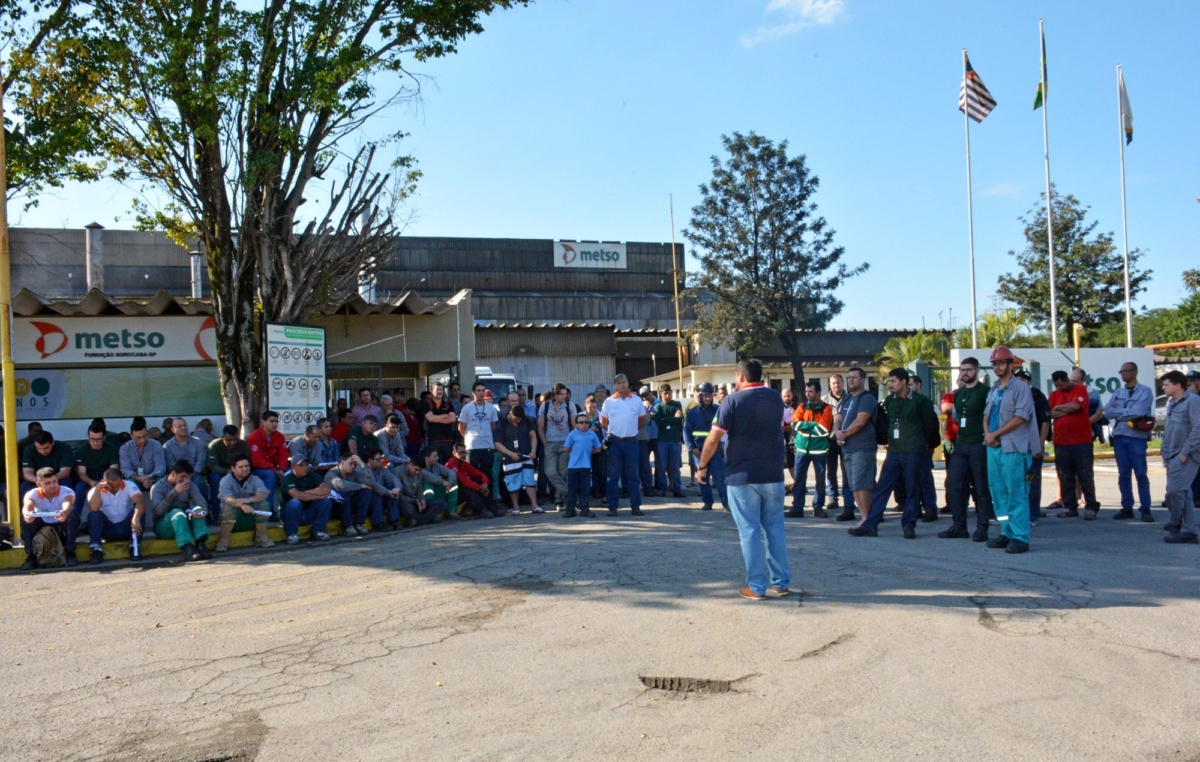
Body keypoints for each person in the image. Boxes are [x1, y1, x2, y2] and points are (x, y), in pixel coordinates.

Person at [697, 359, 791, 601]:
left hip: (742, 476)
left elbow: (713, 439)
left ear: (740, 376)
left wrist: (702, 465)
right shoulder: (775, 398)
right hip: (773, 474)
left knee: (749, 531)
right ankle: (781, 583)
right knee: (775, 528)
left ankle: (757, 587)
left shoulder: (732, 401)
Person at [849, 368, 936, 539]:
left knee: (912, 489)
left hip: (913, 452)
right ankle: (871, 524)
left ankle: (909, 525)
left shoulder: (921, 401)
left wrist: (923, 444)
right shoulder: (889, 401)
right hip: (894, 452)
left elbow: (929, 426)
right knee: (882, 488)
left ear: (904, 382)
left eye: (894, 381)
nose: (890, 384)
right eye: (889, 381)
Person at [981, 347, 1039, 553]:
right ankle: (1006, 532)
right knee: (999, 493)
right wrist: (989, 435)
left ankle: (1021, 536)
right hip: (993, 448)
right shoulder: (994, 389)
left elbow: (1021, 417)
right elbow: (986, 416)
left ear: (1011, 364)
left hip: (1013, 448)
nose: (997, 367)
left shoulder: (1020, 388)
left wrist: (995, 435)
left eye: (1001, 363)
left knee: (1017, 493)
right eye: (994, 364)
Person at [938, 357, 996, 541]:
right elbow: (956, 417)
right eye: (962, 369)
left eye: (969, 369)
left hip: (979, 444)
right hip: (961, 443)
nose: (965, 373)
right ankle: (959, 526)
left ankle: (982, 527)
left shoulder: (985, 392)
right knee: (954, 485)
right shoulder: (959, 393)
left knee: (980, 486)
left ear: (977, 370)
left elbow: (992, 416)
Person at [1103, 361, 1155, 521]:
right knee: (1123, 474)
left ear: (1135, 372)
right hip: (1120, 435)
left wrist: (1119, 413)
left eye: (1126, 371)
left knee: (1140, 474)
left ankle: (1145, 508)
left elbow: (1139, 412)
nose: (1123, 374)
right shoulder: (1118, 392)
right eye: (1121, 372)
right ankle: (1127, 507)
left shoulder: (1145, 391)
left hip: (1137, 437)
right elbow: (1107, 411)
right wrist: (1126, 413)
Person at [1048, 370, 1099, 519]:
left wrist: (1059, 408)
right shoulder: (1054, 395)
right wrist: (1064, 409)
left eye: (1062, 384)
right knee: (1065, 476)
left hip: (1081, 441)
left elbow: (1077, 406)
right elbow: (1049, 413)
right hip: (1061, 441)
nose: (1060, 388)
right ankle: (1070, 507)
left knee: (1085, 475)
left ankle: (1091, 506)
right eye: (1057, 385)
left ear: (1067, 380)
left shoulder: (1080, 389)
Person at [832, 367, 877, 523]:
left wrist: (843, 434)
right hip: (848, 448)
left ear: (863, 380)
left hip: (862, 448)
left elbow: (860, 422)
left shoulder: (867, 398)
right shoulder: (847, 399)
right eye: (849, 377)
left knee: (861, 484)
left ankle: (867, 520)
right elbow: (838, 418)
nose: (851, 380)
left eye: (854, 377)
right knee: (854, 485)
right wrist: (837, 431)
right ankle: (865, 518)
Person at [1160, 370, 1200, 544]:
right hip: (1171, 454)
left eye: (1166, 384)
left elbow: (1198, 429)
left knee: (1174, 492)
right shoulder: (1172, 403)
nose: (1163, 387)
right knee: (1185, 493)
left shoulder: (1193, 401)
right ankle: (1190, 531)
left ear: (1178, 386)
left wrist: (1184, 453)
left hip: (1185, 456)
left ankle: (1175, 523)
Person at [600, 374, 646, 517]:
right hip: (614, 442)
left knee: (633, 476)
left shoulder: (637, 401)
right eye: (619, 383)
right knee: (612, 477)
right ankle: (612, 507)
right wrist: (614, 432)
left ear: (628, 383)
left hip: (632, 442)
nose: (622, 385)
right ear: (615, 386)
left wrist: (631, 431)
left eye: (624, 382)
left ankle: (636, 506)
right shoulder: (608, 402)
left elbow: (642, 420)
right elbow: (603, 422)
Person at [149, 460, 212, 560]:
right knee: (177, 513)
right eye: (183, 476)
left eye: (188, 477)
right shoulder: (157, 487)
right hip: (164, 527)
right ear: (173, 473)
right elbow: (158, 511)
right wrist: (175, 492)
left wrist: (203, 512)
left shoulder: (189, 484)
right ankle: (188, 548)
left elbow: (202, 503)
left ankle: (201, 544)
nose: (186, 479)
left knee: (197, 509)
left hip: (184, 524)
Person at [20, 467, 81, 570]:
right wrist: (27, 514)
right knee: (26, 518)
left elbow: (68, 503)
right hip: (41, 529)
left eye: (54, 481)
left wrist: (64, 512)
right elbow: (28, 505)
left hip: (60, 528)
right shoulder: (32, 493)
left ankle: (70, 552)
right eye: (48, 483)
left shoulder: (66, 491)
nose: (53, 485)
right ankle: (31, 556)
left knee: (71, 515)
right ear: (39, 484)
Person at [788, 379, 833, 518]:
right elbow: (794, 425)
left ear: (818, 392)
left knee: (820, 480)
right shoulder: (801, 407)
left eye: (811, 391)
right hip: (802, 449)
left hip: (819, 450)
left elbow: (823, 430)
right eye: (806, 391)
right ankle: (797, 508)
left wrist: (805, 426)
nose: (808, 394)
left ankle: (818, 507)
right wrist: (813, 425)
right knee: (799, 479)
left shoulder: (826, 408)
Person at [84, 467, 147, 564]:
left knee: (139, 512)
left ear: (121, 479)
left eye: (118, 485)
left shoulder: (129, 485)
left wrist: (136, 518)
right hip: (108, 529)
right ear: (104, 482)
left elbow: (140, 502)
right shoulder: (95, 491)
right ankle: (96, 550)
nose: (116, 488)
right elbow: (94, 508)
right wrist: (98, 488)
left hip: (127, 526)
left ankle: (135, 547)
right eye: (112, 486)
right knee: (94, 515)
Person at [1014, 367, 1052, 526]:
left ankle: (1032, 514)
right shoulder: (1013, 395)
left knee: (1032, 481)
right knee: (1016, 481)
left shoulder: (1037, 397)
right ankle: (1018, 513)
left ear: (1029, 382)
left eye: (1023, 380)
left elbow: (1045, 423)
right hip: (1016, 445)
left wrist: (1039, 445)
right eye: (1018, 380)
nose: (1020, 383)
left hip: (1032, 446)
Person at [324, 451, 392, 536]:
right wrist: (359, 486)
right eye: (351, 464)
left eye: (355, 464)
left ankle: (358, 523)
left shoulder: (354, 473)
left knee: (366, 491)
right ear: (342, 462)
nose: (353, 466)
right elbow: (341, 485)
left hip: (349, 506)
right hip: (335, 508)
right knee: (344, 494)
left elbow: (370, 481)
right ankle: (347, 526)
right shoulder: (331, 474)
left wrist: (362, 465)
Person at [216, 455, 273, 552]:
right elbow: (228, 498)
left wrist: (249, 500)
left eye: (247, 466)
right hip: (231, 519)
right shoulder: (225, 480)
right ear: (233, 468)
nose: (245, 469)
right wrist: (242, 505)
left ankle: (261, 538)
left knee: (264, 504)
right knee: (228, 507)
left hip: (251, 517)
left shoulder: (255, 479)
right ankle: (223, 540)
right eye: (241, 467)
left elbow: (263, 494)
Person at [685, 383, 726, 511]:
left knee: (719, 477)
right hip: (699, 451)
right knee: (703, 478)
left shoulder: (718, 410)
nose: (708, 398)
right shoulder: (692, 413)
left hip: (715, 450)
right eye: (705, 396)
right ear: (700, 396)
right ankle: (707, 502)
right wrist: (692, 448)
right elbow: (686, 432)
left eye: (709, 396)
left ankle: (726, 503)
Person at [538, 383, 578, 509]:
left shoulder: (570, 405)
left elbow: (574, 424)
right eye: (561, 394)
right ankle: (570, 495)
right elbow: (540, 426)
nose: (564, 396)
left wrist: (574, 441)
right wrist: (545, 443)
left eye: (565, 394)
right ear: (554, 395)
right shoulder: (545, 406)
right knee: (549, 472)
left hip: (565, 442)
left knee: (562, 472)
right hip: (550, 442)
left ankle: (558, 500)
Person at [906, 376, 940, 522]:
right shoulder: (903, 401)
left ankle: (930, 508)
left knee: (925, 478)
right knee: (911, 480)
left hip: (922, 447)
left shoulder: (924, 402)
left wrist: (928, 443)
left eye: (911, 384)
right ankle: (915, 508)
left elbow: (930, 426)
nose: (908, 387)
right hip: (907, 448)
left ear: (918, 385)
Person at [280, 456, 334, 544]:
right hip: (289, 514)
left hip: (308, 512)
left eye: (306, 465)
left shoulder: (313, 476)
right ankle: (291, 534)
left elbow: (326, 489)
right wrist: (318, 496)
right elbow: (297, 495)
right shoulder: (287, 479)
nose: (304, 468)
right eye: (300, 466)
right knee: (295, 503)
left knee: (326, 501)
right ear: (293, 467)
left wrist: (306, 492)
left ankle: (318, 531)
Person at [246, 410, 287, 512]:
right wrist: (274, 470)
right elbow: (256, 460)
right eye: (271, 421)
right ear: (263, 422)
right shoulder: (254, 436)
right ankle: (269, 509)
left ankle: (288, 509)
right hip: (257, 469)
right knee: (270, 475)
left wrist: (282, 469)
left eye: (276, 421)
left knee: (293, 473)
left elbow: (283, 455)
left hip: (275, 469)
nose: (274, 424)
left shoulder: (279, 437)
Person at [74, 421, 121, 510]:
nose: (95, 442)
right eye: (92, 439)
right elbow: (81, 473)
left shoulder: (112, 449)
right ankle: (76, 516)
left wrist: (105, 482)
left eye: (99, 439)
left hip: (106, 478)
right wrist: (90, 481)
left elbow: (113, 470)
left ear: (104, 437)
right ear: (88, 437)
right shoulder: (82, 450)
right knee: (79, 488)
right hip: (88, 479)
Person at [563, 413, 602, 518]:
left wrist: (588, 452)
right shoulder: (572, 434)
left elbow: (598, 448)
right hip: (573, 466)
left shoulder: (592, 434)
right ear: (576, 424)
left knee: (585, 489)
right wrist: (577, 451)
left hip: (586, 466)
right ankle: (570, 510)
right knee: (572, 489)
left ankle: (585, 509)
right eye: (581, 422)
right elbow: (566, 448)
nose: (584, 424)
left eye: (586, 422)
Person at [459, 382, 499, 480]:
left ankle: (487, 495)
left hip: (487, 445)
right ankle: (474, 495)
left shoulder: (491, 408)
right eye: (478, 390)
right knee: (472, 474)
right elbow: (461, 427)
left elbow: (493, 426)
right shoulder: (466, 408)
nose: (481, 393)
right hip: (472, 446)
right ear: (473, 392)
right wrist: (469, 438)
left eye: (483, 390)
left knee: (487, 473)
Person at [207, 425, 251, 513]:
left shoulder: (242, 445)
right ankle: (217, 514)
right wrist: (227, 471)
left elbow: (247, 462)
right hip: (220, 473)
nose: (233, 442)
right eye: (229, 440)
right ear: (222, 437)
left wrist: (239, 471)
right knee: (215, 478)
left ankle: (245, 511)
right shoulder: (215, 445)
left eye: (235, 439)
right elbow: (212, 466)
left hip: (238, 472)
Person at [822, 374, 850, 513]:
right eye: (833, 383)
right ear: (829, 385)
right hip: (829, 440)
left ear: (843, 383)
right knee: (830, 470)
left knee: (847, 470)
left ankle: (848, 498)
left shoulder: (851, 399)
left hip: (847, 438)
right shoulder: (823, 401)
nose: (836, 386)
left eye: (838, 383)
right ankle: (832, 497)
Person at [448, 443, 497, 519]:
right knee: (467, 488)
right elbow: (463, 480)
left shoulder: (464, 464)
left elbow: (481, 474)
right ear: (454, 453)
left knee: (478, 480)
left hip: (464, 493)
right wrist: (479, 488)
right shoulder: (450, 464)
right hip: (453, 495)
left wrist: (485, 484)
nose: (464, 455)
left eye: (465, 452)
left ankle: (491, 508)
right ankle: (483, 510)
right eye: (461, 452)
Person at [652, 384, 685, 498]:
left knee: (675, 466)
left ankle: (677, 489)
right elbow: (659, 423)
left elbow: (680, 419)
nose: (667, 395)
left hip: (675, 440)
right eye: (665, 393)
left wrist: (665, 419)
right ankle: (662, 489)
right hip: (662, 441)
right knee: (661, 466)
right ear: (661, 394)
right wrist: (672, 419)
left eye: (669, 393)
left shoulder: (677, 404)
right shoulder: (658, 407)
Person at [163, 418, 210, 499]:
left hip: (195, 474)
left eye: (185, 425)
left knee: (199, 482)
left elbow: (201, 461)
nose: (183, 428)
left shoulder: (198, 442)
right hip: (177, 476)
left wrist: (190, 476)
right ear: (173, 430)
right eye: (179, 426)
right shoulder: (168, 446)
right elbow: (171, 465)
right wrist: (182, 476)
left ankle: (205, 509)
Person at [21, 429, 76, 496]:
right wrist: (39, 481)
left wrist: (49, 481)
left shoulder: (64, 448)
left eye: (46, 448)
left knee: (65, 486)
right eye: (39, 448)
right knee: (24, 487)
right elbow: (27, 473)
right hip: (38, 480)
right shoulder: (29, 450)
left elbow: (65, 472)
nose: (42, 451)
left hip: (59, 479)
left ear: (52, 443)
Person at [119, 420, 167, 494]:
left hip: (153, 478)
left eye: (144, 436)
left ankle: (160, 504)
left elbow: (161, 466)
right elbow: (125, 469)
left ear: (147, 433)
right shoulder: (125, 448)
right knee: (129, 483)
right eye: (138, 438)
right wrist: (138, 478)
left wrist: (150, 477)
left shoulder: (156, 445)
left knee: (161, 481)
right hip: (135, 479)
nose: (142, 440)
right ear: (131, 436)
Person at [363, 448, 404, 530]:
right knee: (376, 492)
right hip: (367, 503)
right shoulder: (362, 470)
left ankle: (394, 520)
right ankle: (378, 523)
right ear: (370, 460)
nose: (381, 461)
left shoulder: (382, 468)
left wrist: (397, 489)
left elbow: (394, 479)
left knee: (392, 486)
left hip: (381, 500)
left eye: (382, 458)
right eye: (378, 459)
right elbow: (375, 486)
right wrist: (389, 492)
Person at [419, 447, 463, 520]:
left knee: (453, 483)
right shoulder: (420, 468)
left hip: (438, 493)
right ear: (427, 458)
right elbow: (430, 477)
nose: (438, 458)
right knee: (427, 484)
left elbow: (451, 472)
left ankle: (451, 511)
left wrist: (450, 483)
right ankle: (432, 514)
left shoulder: (437, 466)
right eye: (435, 456)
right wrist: (443, 482)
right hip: (425, 497)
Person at [397, 458, 443, 526]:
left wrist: (422, 500)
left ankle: (419, 520)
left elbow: (419, 491)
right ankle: (427, 519)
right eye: (416, 470)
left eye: (419, 471)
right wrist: (414, 501)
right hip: (405, 502)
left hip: (417, 502)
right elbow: (399, 496)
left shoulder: (419, 474)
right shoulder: (398, 472)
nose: (417, 472)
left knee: (441, 504)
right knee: (408, 509)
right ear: (410, 464)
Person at [424, 382, 459, 463]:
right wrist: (445, 415)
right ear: (432, 391)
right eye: (437, 389)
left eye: (441, 390)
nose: (440, 391)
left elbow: (452, 419)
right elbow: (430, 419)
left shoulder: (448, 405)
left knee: (449, 463)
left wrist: (435, 418)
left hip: (448, 439)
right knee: (434, 463)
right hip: (433, 440)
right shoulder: (427, 405)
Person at [584, 394, 608, 500]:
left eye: (594, 407)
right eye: (590, 407)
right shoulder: (580, 416)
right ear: (586, 406)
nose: (593, 409)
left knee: (602, 472)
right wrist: (589, 430)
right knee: (586, 472)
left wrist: (604, 442)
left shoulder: (601, 415)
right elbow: (576, 432)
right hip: (585, 449)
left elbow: (607, 431)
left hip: (599, 448)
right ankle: (587, 494)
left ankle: (603, 494)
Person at [781, 387, 797, 473]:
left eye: (788, 396)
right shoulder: (778, 407)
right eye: (785, 396)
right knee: (788, 463)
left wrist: (780, 428)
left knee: (795, 463)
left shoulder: (797, 407)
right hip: (784, 438)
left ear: (792, 396)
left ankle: (799, 484)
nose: (787, 398)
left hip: (796, 438)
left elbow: (795, 425)